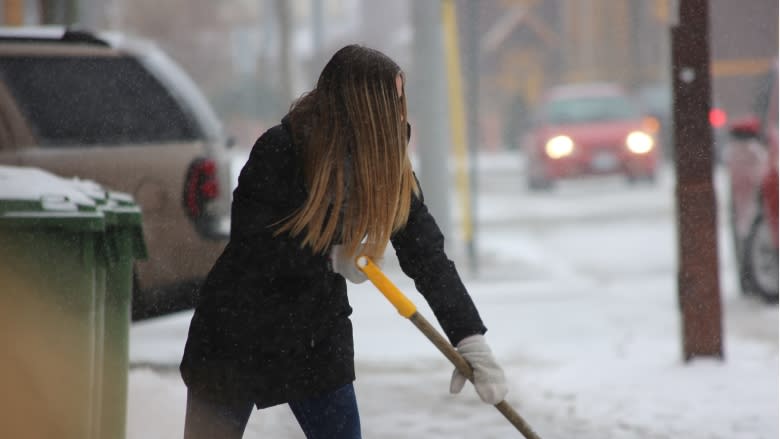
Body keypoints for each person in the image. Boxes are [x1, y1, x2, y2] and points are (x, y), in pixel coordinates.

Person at [179, 44, 508, 439]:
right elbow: (254, 248)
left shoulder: (385, 163)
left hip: (314, 336)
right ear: (364, 105)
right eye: (394, 99)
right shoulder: (281, 151)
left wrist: (469, 337)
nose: (401, 111)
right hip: (236, 333)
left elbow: (427, 255)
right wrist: (329, 259)